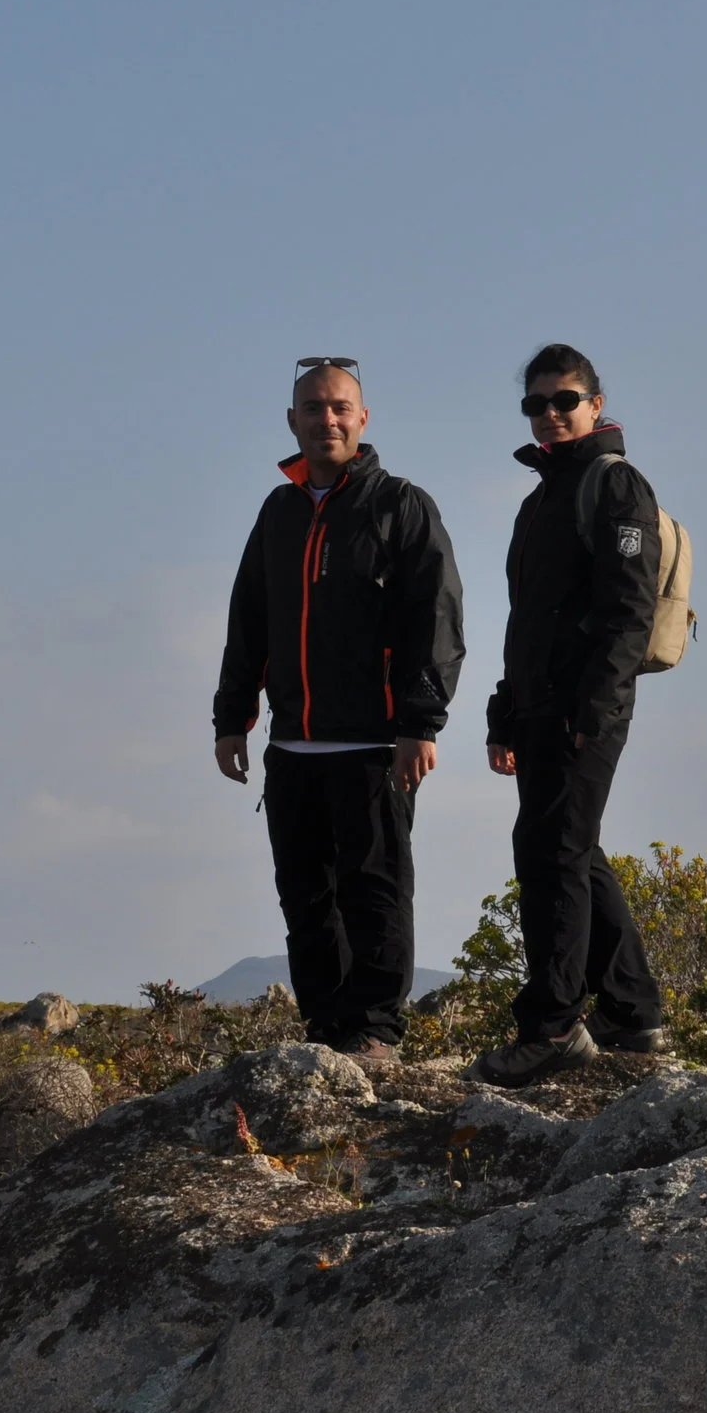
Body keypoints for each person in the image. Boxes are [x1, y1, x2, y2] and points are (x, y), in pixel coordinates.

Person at [213, 358, 465, 1065]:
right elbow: (250, 619)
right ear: (292, 420)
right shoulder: (279, 510)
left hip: (374, 743)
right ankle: (326, 1030)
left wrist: (420, 723)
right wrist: (231, 717)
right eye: (314, 408)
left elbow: (436, 620)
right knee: (305, 900)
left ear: (363, 419)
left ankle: (378, 1031)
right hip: (293, 748)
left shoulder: (400, 506)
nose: (327, 419)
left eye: (340, 408)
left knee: (375, 892)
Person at [467, 343, 667, 1088]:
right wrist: (503, 712)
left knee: (550, 853)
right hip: (539, 708)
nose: (550, 415)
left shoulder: (616, 488)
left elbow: (629, 613)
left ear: (597, 404)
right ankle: (633, 1010)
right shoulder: (541, 498)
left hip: (584, 710)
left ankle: (553, 1026)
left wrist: (598, 707)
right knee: (573, 850)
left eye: (565, 400)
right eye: (536, 404)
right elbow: (529, 622)